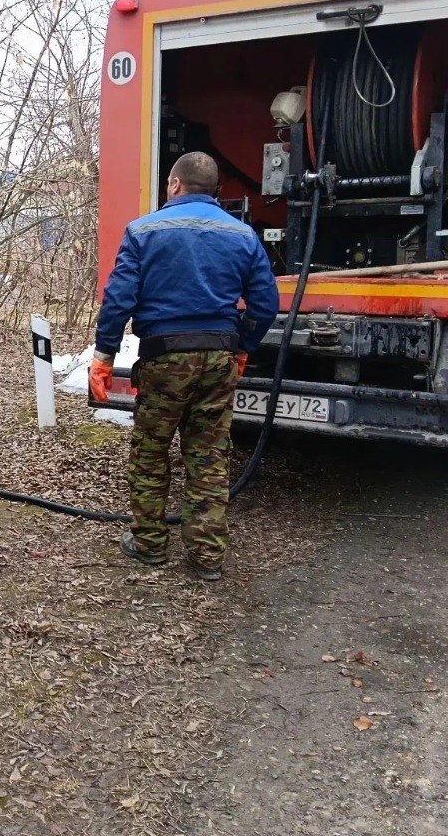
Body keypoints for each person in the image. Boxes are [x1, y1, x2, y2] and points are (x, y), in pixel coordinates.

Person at [90, 152, 279, 581]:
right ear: (215, 191)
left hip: (164, 357)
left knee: (152, 452)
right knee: (208, 455)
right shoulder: (244, 235)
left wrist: (103, 357)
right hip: (218, 359)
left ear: (174, 184)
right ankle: (207, 558)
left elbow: (119, 300)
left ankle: (150, 545)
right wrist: (244, 345)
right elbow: (266, 304)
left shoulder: (143, 231)